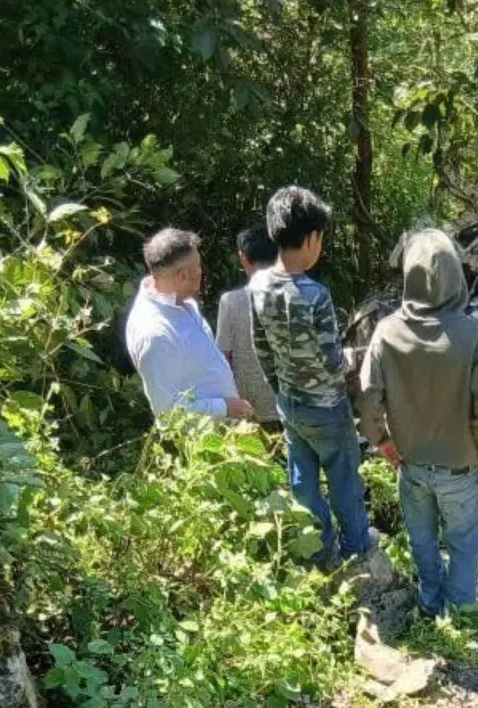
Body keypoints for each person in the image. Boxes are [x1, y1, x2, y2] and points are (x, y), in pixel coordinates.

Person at [358, 229, 478, 617]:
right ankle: (460, 611)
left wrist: (382, 441)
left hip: (410, 463)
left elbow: (369, 396)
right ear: (457, 275)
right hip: (461, 468)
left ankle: (428, 602)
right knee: (463, 542)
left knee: (422, 542)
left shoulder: (386, 332)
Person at [250, 187, 369, 563]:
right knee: (344, 479)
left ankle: (317, 550)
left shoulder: (256, 285)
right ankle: (355, 550)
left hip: (290, 402)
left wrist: (280, 390)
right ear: (313, 239)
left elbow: (261, 347)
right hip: (327, 407)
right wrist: (358, 357)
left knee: (302, 479)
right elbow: (331, 361)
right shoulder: (315, 294)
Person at [126, 227, 254, 422]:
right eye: (198, 269)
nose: (202, 273)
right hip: (199, 444)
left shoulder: (182, 300)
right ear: (182, 276)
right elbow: (167, 411)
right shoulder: (154, 334)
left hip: (225, 429)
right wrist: (224, 407)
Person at [217, 224, 281, 424]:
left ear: (242, 258)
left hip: (249, 412)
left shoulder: (231, 301)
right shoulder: (298, 297)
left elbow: (222, 358)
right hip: (292, 409)